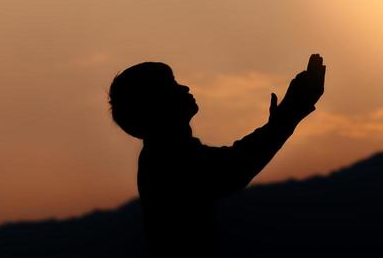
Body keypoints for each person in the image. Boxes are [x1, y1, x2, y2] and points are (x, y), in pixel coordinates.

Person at [109, 54, 325, 256]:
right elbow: (233, 168)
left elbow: (230, 164)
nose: (184, 87)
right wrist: (291, 111)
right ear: (155, 106)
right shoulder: (167, 159)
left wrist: (289, 113)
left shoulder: (162, 155)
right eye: (171, 86)